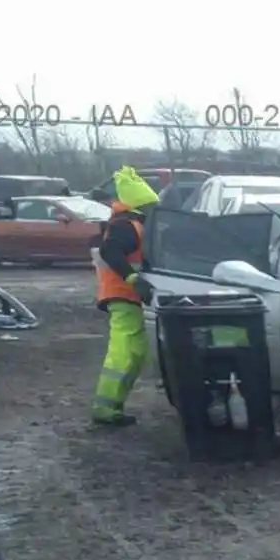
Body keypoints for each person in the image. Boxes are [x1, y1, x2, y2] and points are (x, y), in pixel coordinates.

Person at [89, 166, 160, 428]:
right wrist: (133, 279)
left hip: (127, 296)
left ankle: (112, 407)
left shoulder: (129, 224)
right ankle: (105, 409)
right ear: (142, 207)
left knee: (136, 351)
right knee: (124, 352)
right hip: (123, 295)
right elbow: (111, 251)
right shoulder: (127, 226)